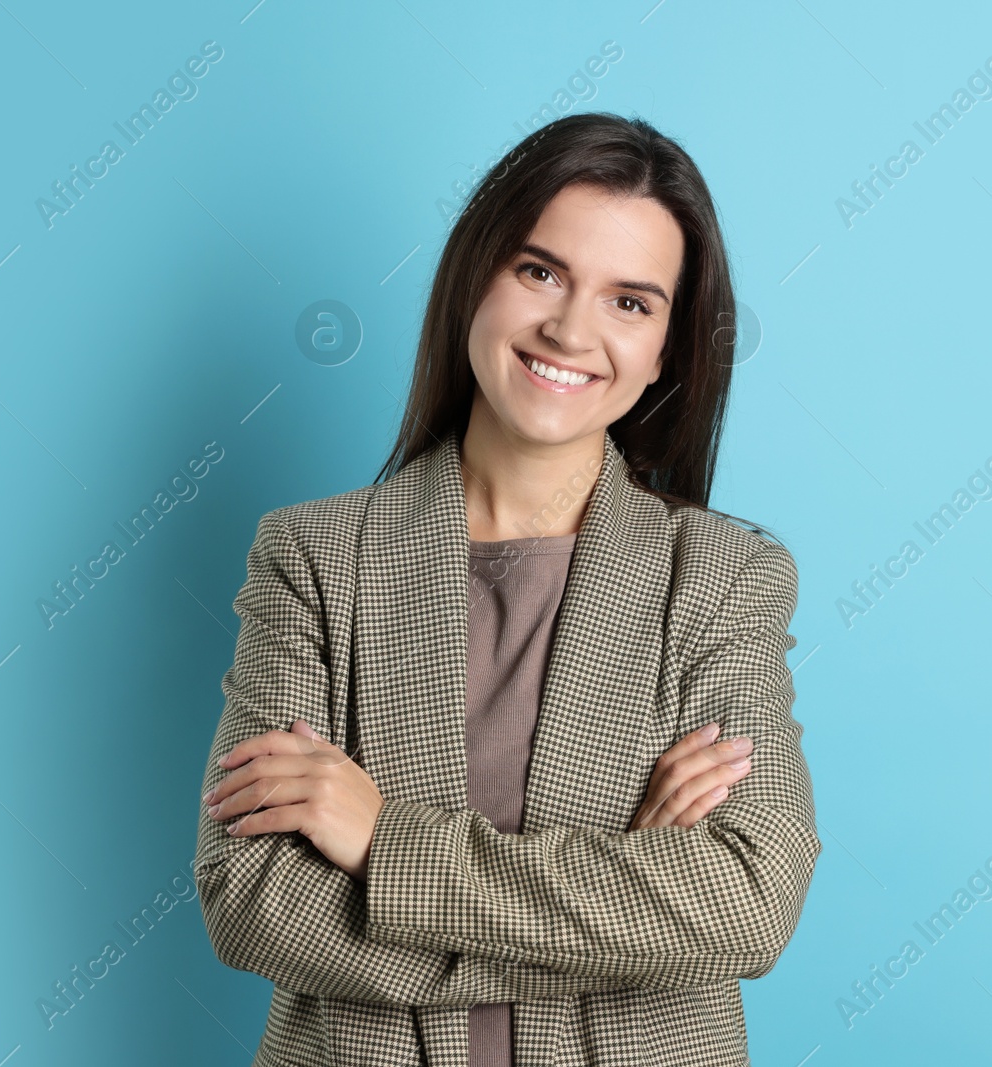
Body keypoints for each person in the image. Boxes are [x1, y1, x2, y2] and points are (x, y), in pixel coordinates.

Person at [194, 111, 821, 1067]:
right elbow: (252, 900)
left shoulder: (725, 578)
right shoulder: (313, 558)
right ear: (473, 280)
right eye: (541, 272)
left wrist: (384, 845)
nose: (571, 329)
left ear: (668, 352)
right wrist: (629, 908)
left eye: (631, 302)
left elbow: (744, 903)